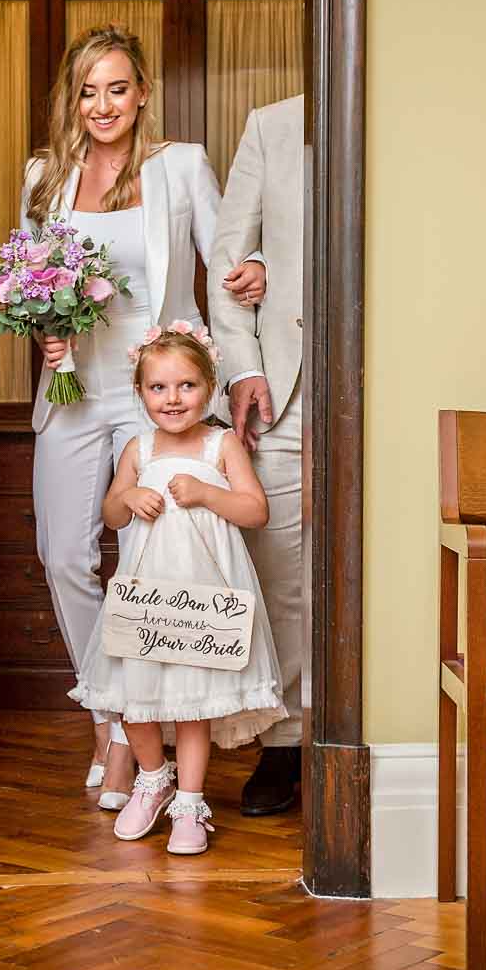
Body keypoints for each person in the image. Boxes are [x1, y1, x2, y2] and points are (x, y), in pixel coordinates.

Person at [21, 26, 264, 807]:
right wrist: (44, 328)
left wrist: (258, 270)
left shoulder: (180, 166)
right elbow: (30, 283)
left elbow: (227, 261)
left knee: (143, 564)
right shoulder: (42, 178)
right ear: (72, 98)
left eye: (117, 88)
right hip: (71, 391)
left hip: (159, 400)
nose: (103, 105)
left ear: (142, 93)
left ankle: (129, 739)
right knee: (64, 556)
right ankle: (111, 704)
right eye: (88, 91)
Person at [70, 326, 287, 855]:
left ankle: (190, 800)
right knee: (133, 701)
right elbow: (111, 511)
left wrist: (208, 493)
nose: (173, 399)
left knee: (193, 705)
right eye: (158, 388)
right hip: (146, 599)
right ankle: (152, 777)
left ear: (209, 387)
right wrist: (133, 496)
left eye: (187, 386)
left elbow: (256, 511)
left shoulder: (221, 444)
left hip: (201, 601)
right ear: (141, 392)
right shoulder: (138, 448)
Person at [206, 93, 307, 816]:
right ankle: (290, 742)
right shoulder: (274, 125)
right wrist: (242, 367)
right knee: (280, 569)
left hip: (398, 373)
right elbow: (228, 259)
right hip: (285, 386)